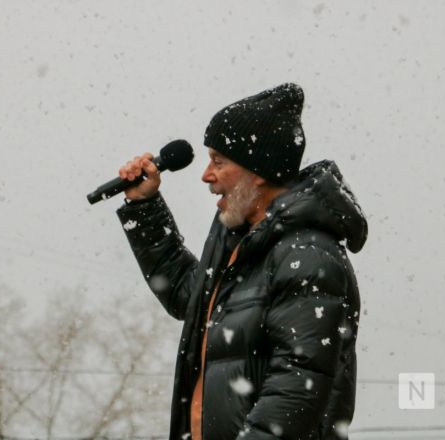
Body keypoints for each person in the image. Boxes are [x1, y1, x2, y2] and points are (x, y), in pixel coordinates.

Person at [115, 83, 367, 440]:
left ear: (258, 170)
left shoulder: (308, 256)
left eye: (219, 162)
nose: (206, 175)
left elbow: (296, 387)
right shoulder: (239, 241)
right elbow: (188, 298)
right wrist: (144, 208)